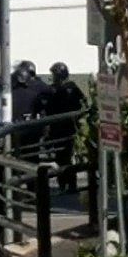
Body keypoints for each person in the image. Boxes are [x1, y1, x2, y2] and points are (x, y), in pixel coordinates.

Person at [45, 62, 89, 193]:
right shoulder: (72, 88)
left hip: (62, 128)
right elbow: (84, 104)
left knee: (63, 157)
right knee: (65, 157)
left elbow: (50, 109)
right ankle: (68, 184)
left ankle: (65, 184)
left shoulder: (61, 90)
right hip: (67, 128)